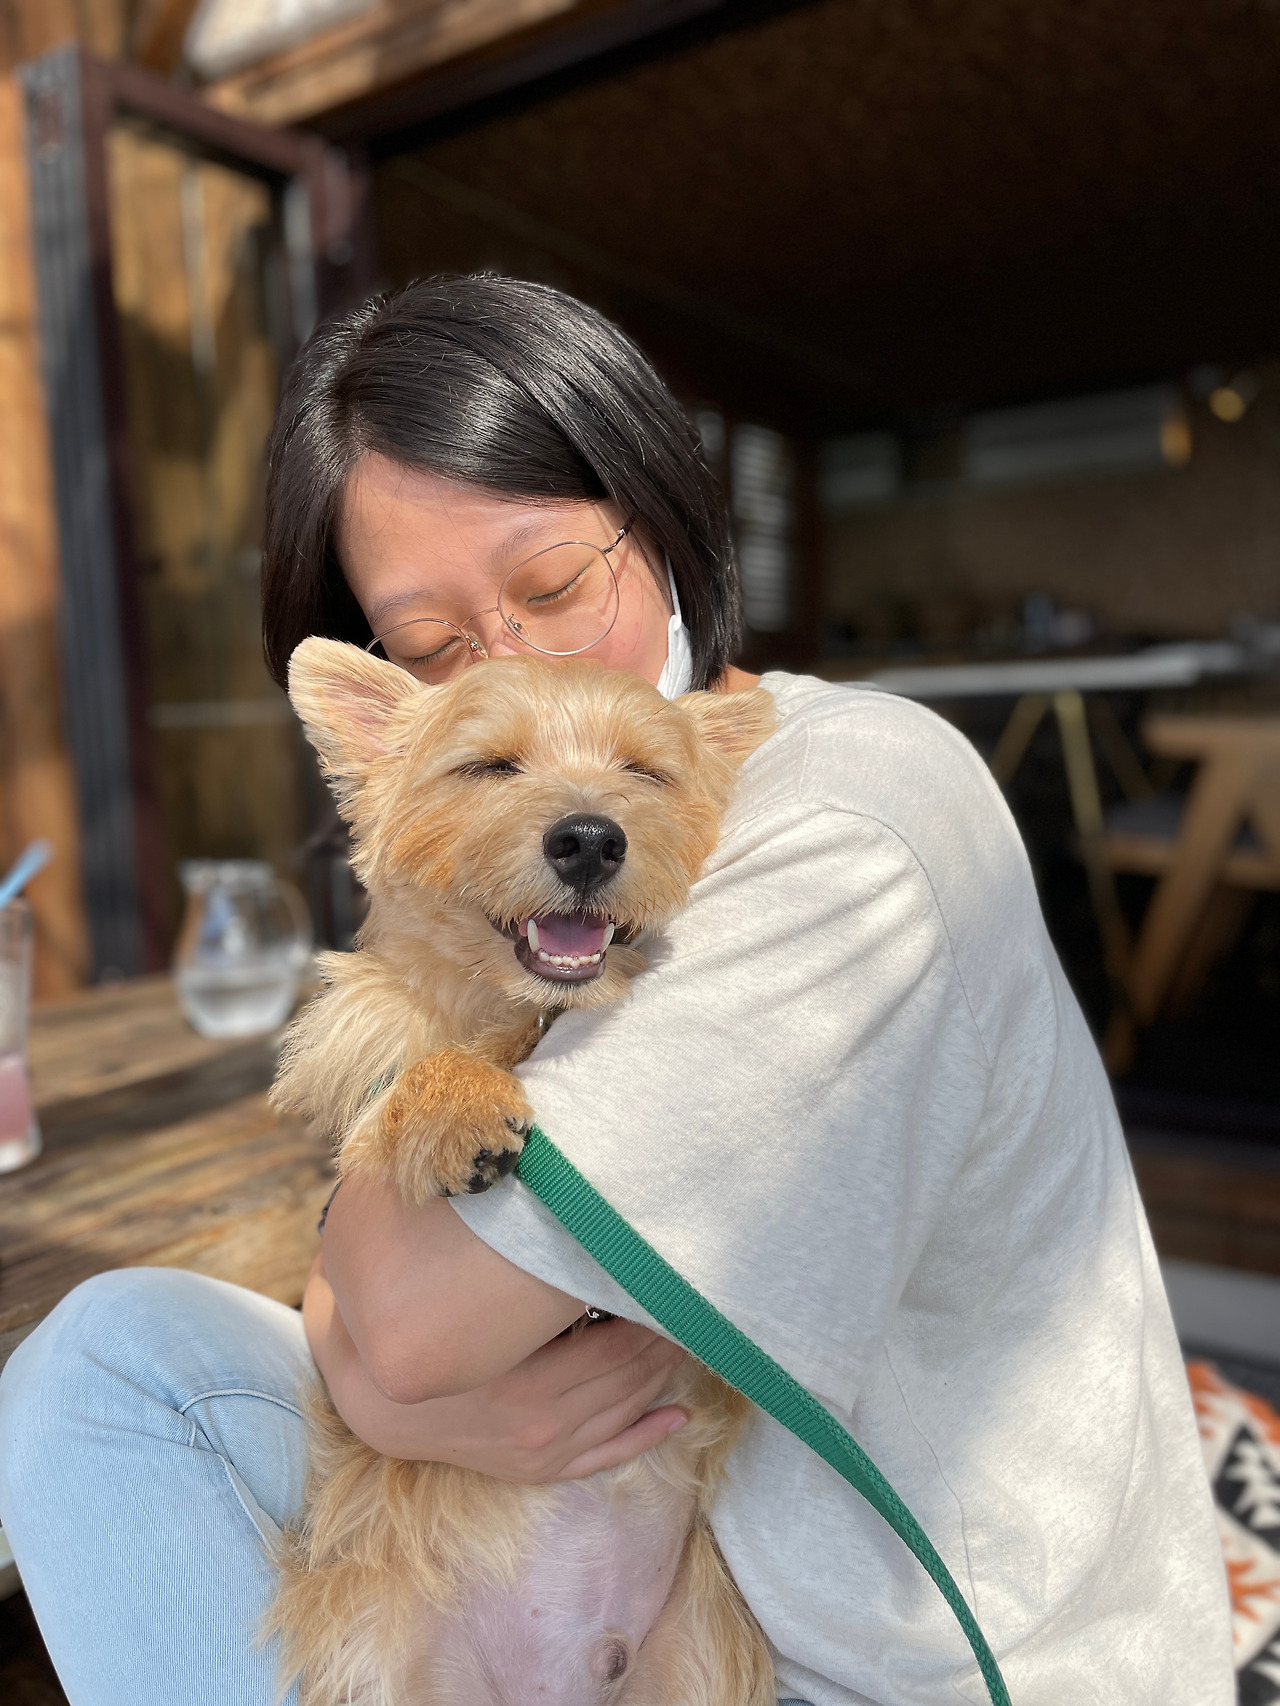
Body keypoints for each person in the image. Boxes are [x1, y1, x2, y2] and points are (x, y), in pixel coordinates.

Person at [0, 275, 1231, 1706]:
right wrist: (380, 1377)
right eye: (434, 647)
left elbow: (414, 1323)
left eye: (553, 586)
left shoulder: (847, 817)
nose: (517, 666)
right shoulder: (539, 893)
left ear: (663, 511)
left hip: (869, 1658)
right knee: (100, 1364)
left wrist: (386, 1374)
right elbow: (379, 1272)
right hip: (645, 1527)